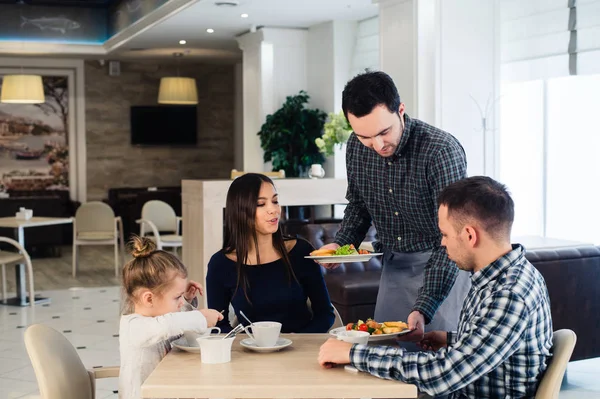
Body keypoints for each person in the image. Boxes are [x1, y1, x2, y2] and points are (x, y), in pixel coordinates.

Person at [318, 176, 553, 398]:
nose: (441, 242)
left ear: (470, 236)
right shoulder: (507, 274)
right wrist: (451, 339)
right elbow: (497, 342)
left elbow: (445, 373)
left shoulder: (508, 294)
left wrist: (353, 354)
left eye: (445, 234)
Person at [316, 71, 471, 341]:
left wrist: (425, 305)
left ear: (400, 110)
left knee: (435, 355)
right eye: (365, 136)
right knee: (387, 352)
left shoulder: (440, 151)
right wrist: (340, 246)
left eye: (384, 132)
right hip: (394, 266)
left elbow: (454, 236)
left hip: (444, 263)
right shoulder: (356, 147)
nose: (376, 145)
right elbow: (359, 205)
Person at [206, 173, 335, 333]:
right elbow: (218, 325)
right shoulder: (220, 264)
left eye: (275, 201)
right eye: (261, 204)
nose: (273, 210)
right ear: (240, 211)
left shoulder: (301, 251)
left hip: (301, 350)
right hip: (251, 353)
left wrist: (296, 341)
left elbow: (325, 314)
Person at [119, 236, 223, 399]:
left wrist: (186, 299)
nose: (180, 303)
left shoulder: (158, 316)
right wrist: (200, 317)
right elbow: (167, 325)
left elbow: (174, 322)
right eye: (177, 297)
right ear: (149, 299)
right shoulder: (133, 327)